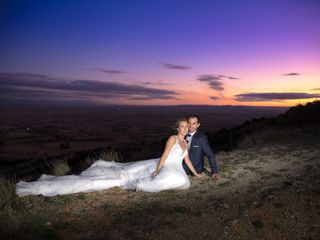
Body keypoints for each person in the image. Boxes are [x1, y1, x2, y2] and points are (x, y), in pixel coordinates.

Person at [16, 119, 200, 196]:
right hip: (163, 165)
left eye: (186, 126)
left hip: (176, 166)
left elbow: (187, 160)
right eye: (182, 126)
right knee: (121, 177)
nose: (184, 128)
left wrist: (196, 174)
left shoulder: (187, 142)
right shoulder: (173, 139)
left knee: (184, 182)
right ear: (177, 128)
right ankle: (142, 184)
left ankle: (150, 181)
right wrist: (158, 169)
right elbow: (165, 155)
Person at [183, 114, 221, 180]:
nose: (191, 126)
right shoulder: (183, 135)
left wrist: (214, 171)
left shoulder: (201, 138)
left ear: (198, 125)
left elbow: (210, 155)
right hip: (183, 166)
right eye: (189, 123)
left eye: (194, 123)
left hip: (195, 168)